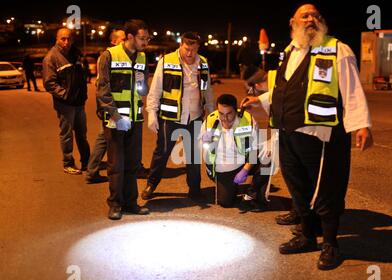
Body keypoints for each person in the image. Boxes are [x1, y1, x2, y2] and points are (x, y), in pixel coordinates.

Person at [242, 4, 373, 270]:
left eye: (316, 16)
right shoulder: (290, 51)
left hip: (321, 135)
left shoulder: (338, 49)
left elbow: (352, 90)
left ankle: (331, 245)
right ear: (293, 22)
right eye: (305, 16)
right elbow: (285, 87)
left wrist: (361, 124)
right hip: (288, 132)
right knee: (298, 186)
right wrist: (261, 99)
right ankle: (307, 235)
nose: (311, 19)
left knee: (326, 190)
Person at [142, 32, 214, 201]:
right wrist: (151, 112)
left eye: (194, 50)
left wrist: (210, 111)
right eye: (187, 49)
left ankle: (195, 189)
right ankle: (151, 184)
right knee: (162, 152)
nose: (190, 53)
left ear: (198, 48)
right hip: (170, 117)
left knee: (193, 155)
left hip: (195, 115)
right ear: (181, 45)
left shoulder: (203, 63)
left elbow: (207, 88)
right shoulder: (167, 61)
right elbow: (155, 89)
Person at [96, 19, 151, 220]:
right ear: (130, 37)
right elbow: (102, 90)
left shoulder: (143, 57)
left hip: (135, 119)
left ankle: (130, 203)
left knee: (133, 164)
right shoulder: (108, 56)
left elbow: (142, 89)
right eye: (142, 38)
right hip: (115, 119)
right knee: (116, 165)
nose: (146, 42)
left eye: (147, 38)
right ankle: (115, 204)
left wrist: (142, 84)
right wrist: (116, 116)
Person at [200, 94, 269, 211]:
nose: (224, 118)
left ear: (236, 110)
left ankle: (252, 194)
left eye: (229, 114)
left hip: (244, 162)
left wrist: (245, 169)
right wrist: (205, 141)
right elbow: (205, 150)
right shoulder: (210, 122)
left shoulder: (248, 121)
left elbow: (254, 151)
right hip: (223, 167)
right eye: (221, 113)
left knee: (267, 158)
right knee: (226, 203)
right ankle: (229, 186)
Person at [43, 28, 90, 175]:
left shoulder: (75, 54)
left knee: (82, 134)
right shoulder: (51, 58)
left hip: (79, 103)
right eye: (63, 38)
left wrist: (81, 95)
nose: (66, 41)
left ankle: (87, 162)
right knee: (67, 134)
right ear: (57, 39)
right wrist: (66, 96)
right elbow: (49, 83)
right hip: (65, 104)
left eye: (69, 38)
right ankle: (68, 163)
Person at [85, 28, 126, 184]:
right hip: (109, 104)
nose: (125, 42)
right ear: (114, 41)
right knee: (105, 138)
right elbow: (102, 86)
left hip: (114, 104)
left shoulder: (117, 55)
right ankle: (93, 171)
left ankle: (93, 170)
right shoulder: (108, 56)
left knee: (104, 138)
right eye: (122, 40)